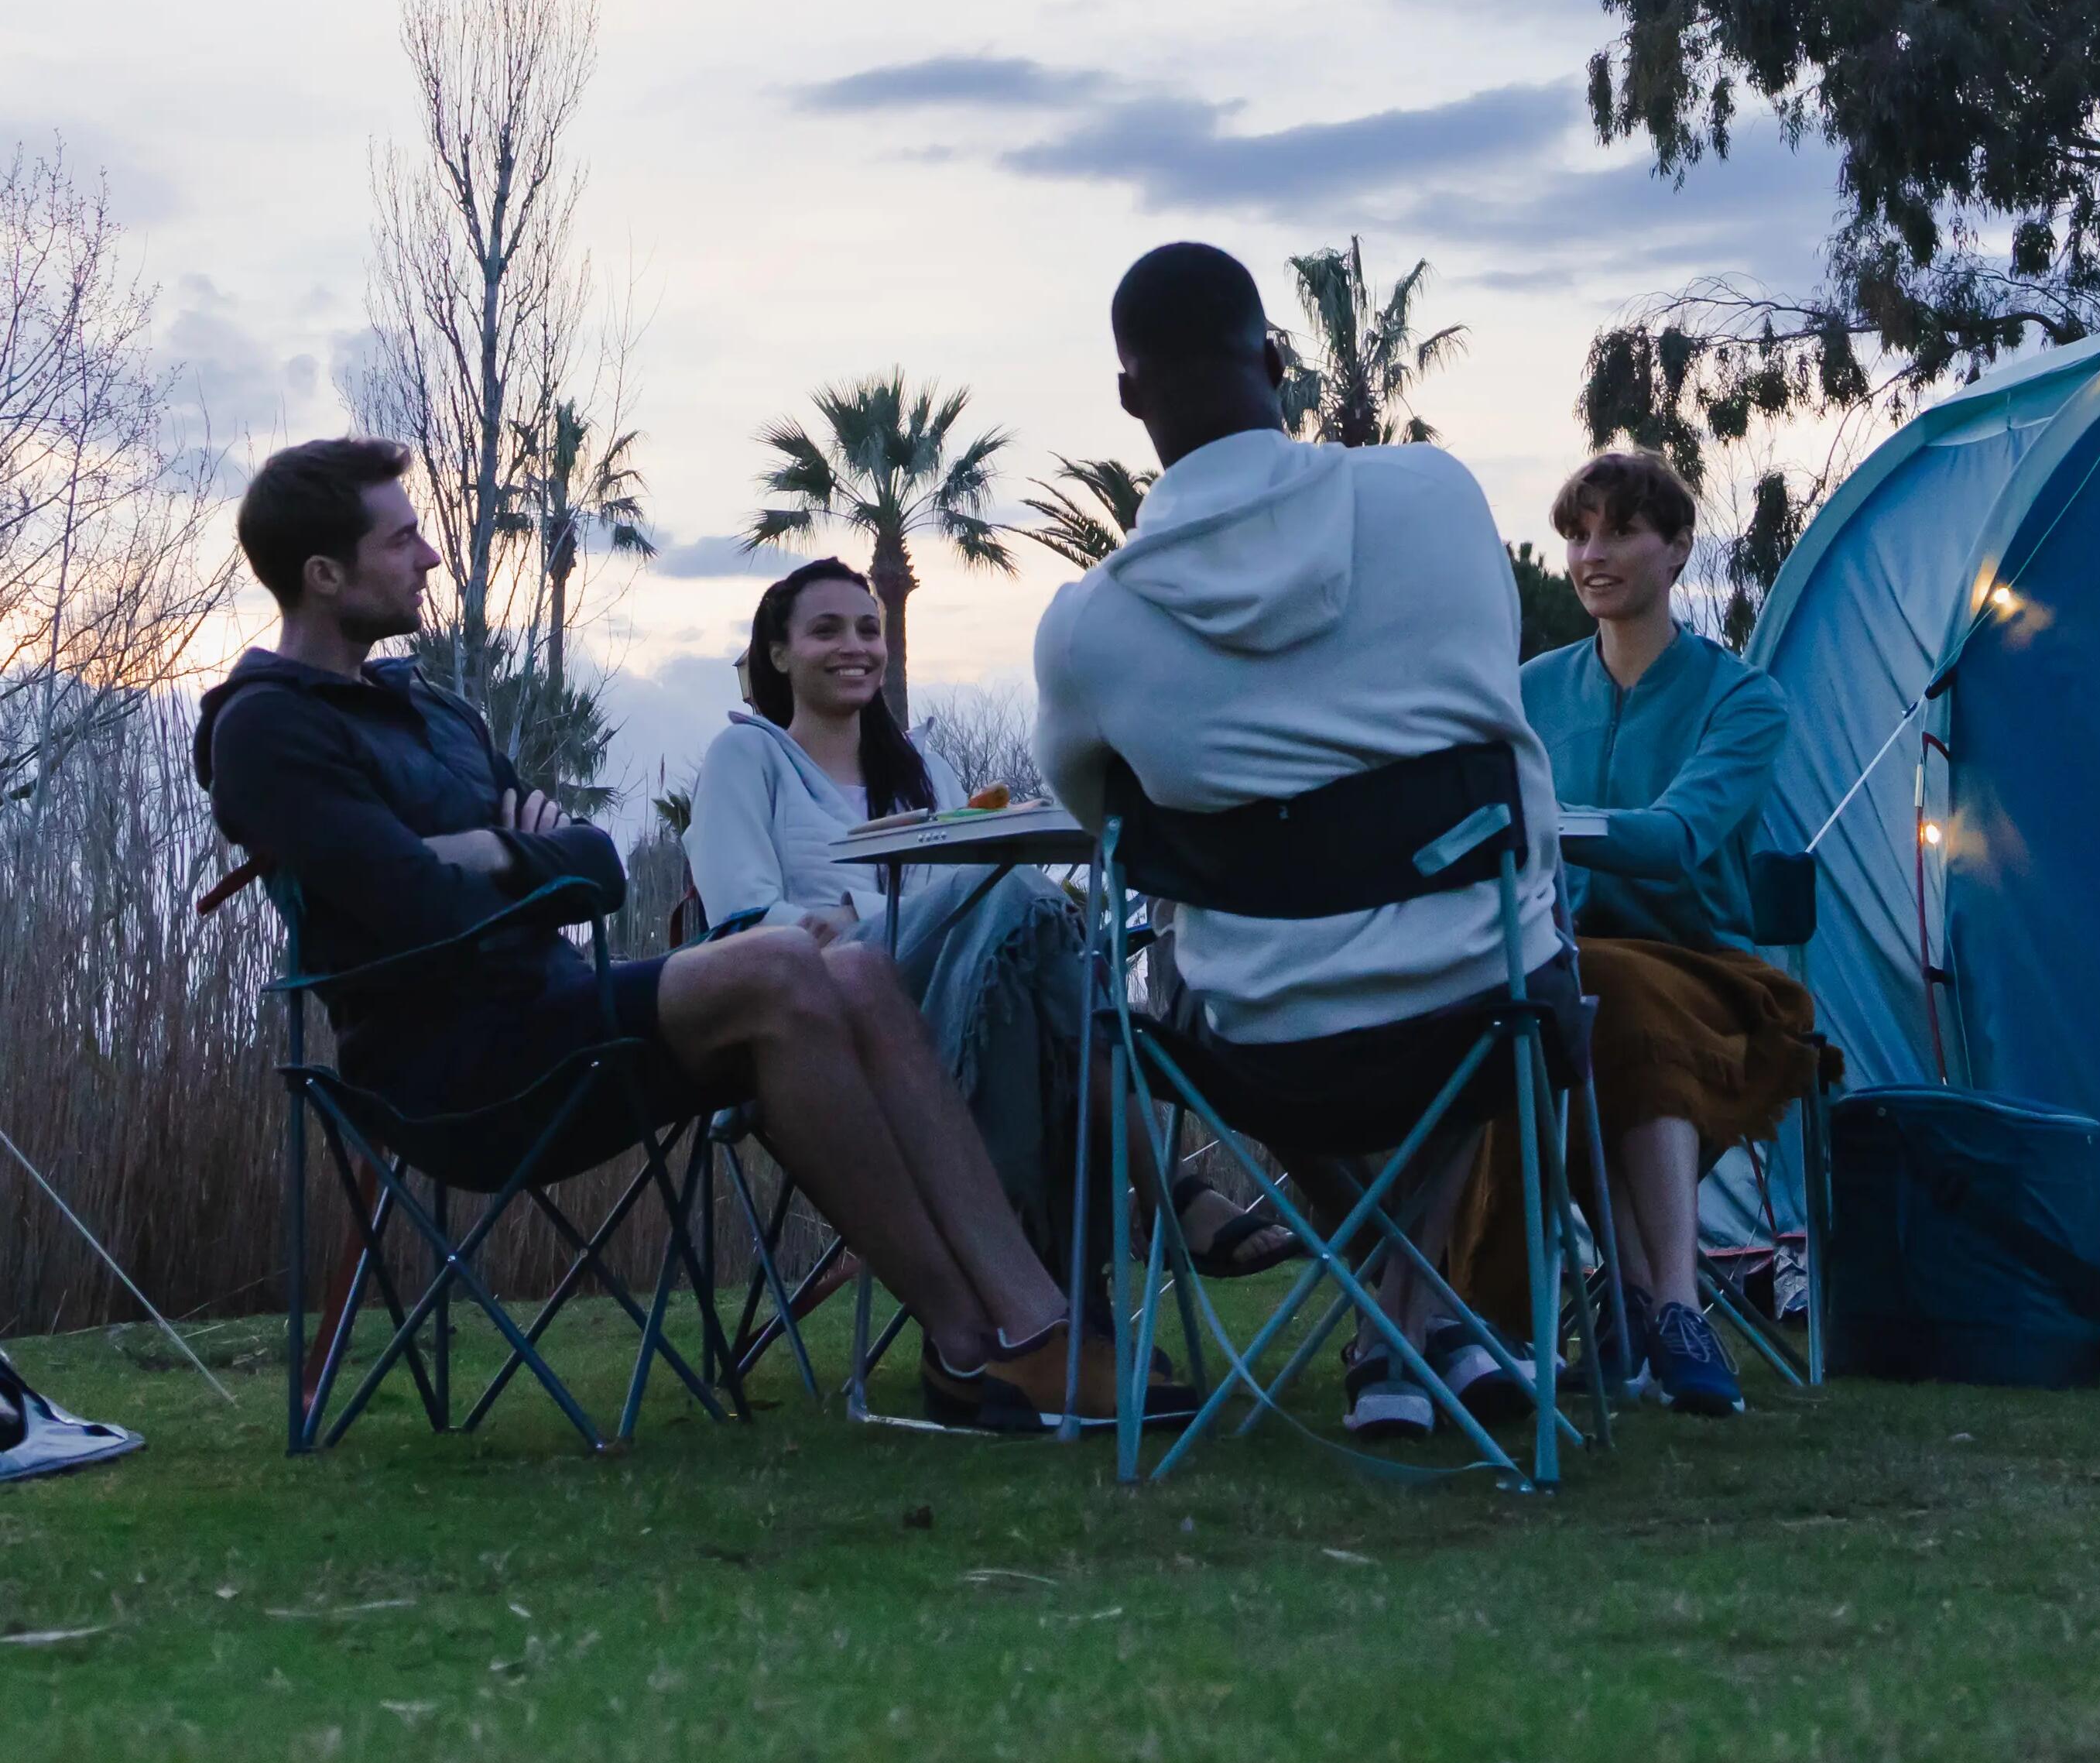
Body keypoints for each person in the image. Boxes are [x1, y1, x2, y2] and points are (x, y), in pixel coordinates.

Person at [200, 436, 1139, 1438]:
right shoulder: (267, 730)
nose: (430, 556)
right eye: (404, 539)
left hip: (555, 1018)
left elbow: (597, 867)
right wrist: (511, 858)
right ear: (324, 574)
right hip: (449, 1070)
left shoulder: (434, 713)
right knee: (785, 961)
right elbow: (417, 909)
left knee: (855, 972)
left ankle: (1019, 1326)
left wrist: (487, 852)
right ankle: (973, 1337)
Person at [1030, 242, 1573, 1438]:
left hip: (1259, 1036)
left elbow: (1104, 821)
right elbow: (1487, 696)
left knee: (1233, 982)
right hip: (1482, 1000)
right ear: (1276, 360)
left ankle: (1403, 1322)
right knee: (1494, 965)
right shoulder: (1434, 497)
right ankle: (1416, 1322)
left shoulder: (1088, 629)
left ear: (1128, 398)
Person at [689, 560, 1210, 1287]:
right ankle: (1157, 1205)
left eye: (869, 629)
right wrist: (878, 918)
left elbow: (979, 891)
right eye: (826, 630)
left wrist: (851, 913)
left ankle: (1057, 1308)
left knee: (1033, 948)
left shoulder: (924, 766)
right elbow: (744, 918)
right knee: (1029, 909)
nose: (857, 646)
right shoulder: (747, 756)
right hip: (825, 1006)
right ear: (779, 653)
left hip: (962, 993)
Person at [1498, 448, 1814, 1418]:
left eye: (1620, 531)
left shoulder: (1742, 699)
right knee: (1537, 1003)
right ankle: (1632, 1300)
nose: (1592, 554)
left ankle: (1667, 1299)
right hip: (1561, 957)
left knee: (1612, 999)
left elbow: (1679, 841)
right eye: (1577, 533)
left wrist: (1543, 825)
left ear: (1677, 549)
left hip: (1706, 971)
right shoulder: (1527, 691)